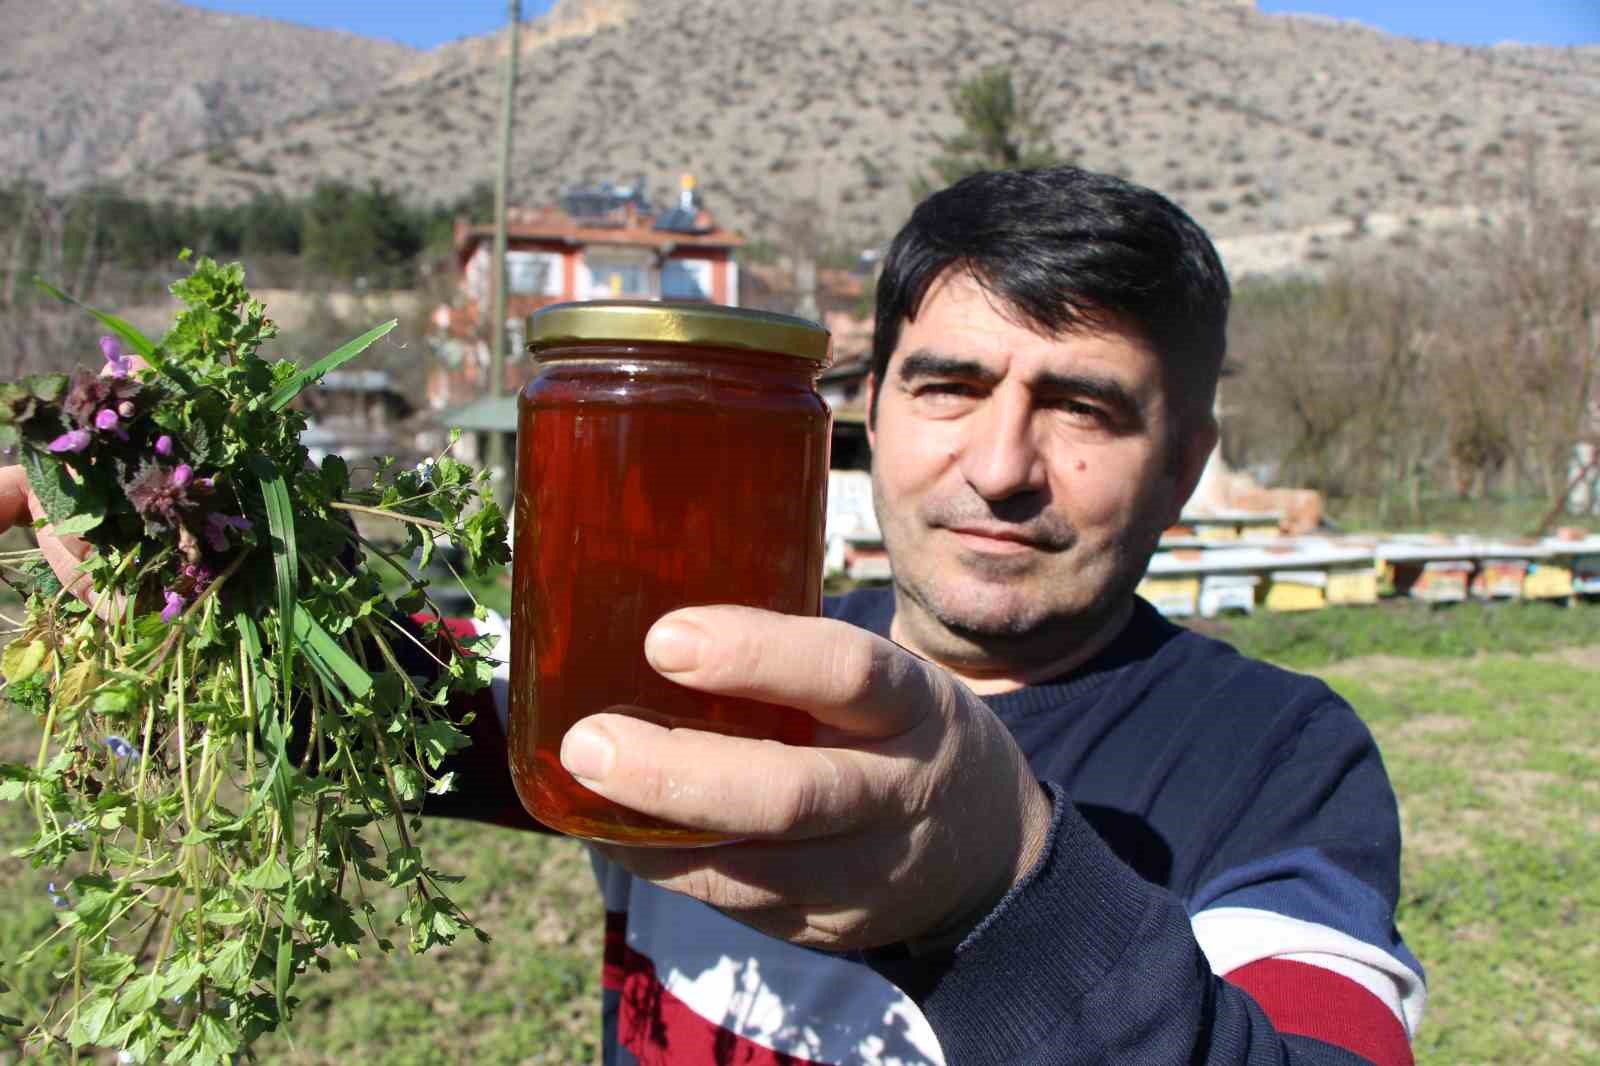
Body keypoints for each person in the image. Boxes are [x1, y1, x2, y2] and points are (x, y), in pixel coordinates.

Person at [4, 165, 1424, 1066]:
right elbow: (399, 712)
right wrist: (203, 569)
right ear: (864, 415)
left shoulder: (1276, 758)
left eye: (1086, 407)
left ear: (1184, 458)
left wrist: (1007, 890)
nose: (1000, 464)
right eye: (948, 387)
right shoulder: (686, 647)